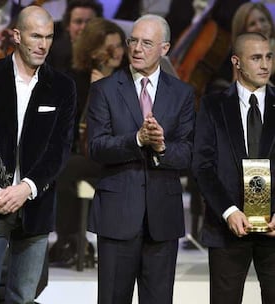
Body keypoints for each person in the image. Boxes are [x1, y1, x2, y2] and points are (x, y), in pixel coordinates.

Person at [0, 5, 76, 304]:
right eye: (36, 36)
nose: (43, 44)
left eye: (49, 37)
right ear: (16, 35)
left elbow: (59, 148)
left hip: (34, 206)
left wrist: (27, 188)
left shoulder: (62, 87)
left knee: (23, 298)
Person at [87, 14, 195, 304]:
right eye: (132, 40)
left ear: (165, 48)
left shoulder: (183, 93)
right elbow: (95, 146)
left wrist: (161, 147)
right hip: (117, 216)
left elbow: (187, 153)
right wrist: (136, 140)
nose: (136, 48)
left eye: (146, 43)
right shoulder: (105, 89)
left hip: (163, 219)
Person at [192, 32, 275, 304]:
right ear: (236, 62)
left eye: (269, 57)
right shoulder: (213, 104)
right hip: (227, 227)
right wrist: (228, 211)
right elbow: (202, 166)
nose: (265, 65)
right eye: (256, 58)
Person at [50, 17, 126, 268]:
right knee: (63, 164)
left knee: (69, 167)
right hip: (85, 151)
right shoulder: (76, 79)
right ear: (93, 51)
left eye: (120, 46)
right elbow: (67, 125)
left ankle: (69, 241)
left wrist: (102, 94)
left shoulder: (127, 80)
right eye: (109, 47)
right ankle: (71, 238)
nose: (117, 52)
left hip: (118, 152)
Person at [46, 0, 103, 74]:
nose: (84, 27)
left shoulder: (108, 51)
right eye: (78, 22)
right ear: (68, 26)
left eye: (90, 22)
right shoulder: (52, 53)